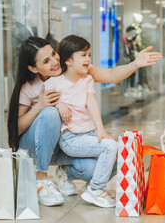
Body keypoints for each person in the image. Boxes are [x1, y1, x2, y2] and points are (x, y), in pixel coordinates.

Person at [8, 36, 162, 207]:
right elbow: (17, 129)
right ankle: (41, 179)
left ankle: (65, 173)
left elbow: (111, 75)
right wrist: (40, 106)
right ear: (33, 68)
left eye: (53, 53)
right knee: (50, 113)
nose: (54, 61)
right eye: (46, 61)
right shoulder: (30, 87)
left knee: (95, 168)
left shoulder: (76, 70)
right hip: (37, 145)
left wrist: (135, 64)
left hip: (66, 145)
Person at [43, 35, 117, 208]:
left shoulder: (87, 79)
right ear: (68, 60)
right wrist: (58, 104)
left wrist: (101, 131)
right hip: (71, 138)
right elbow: (40, 103)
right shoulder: (54, 83)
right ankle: (96, 189)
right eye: (83, 55)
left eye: (89, 54)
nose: (88, 59)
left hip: (89, 133)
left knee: (120, 152)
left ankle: (89, 183)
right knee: (111, 147)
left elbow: (91, 102)